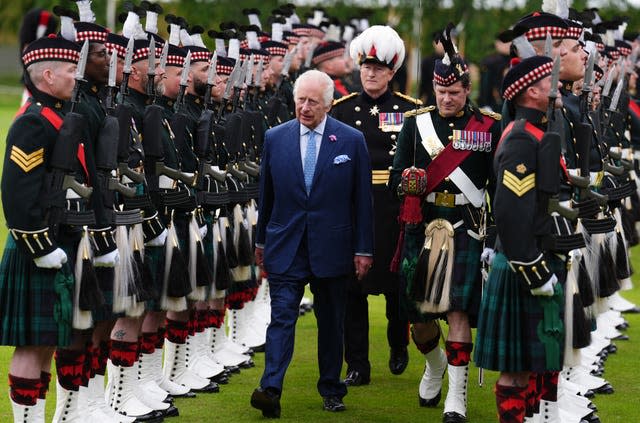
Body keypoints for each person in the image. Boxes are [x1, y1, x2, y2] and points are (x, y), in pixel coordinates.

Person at [389, 25, 501, 423]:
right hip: (425, 227)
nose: (447, 99)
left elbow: (497, 182)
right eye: (441, 92)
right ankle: (434, 364)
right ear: (433, 89)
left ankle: (457, 397)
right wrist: (407, 182)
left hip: (466, 227)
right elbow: (396, 174)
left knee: (457, 312)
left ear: (466, 90)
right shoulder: (414, 124)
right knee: (419, 318)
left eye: (454, 93)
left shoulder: (488, 126)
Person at [251, 69, 374, 417]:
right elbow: (267, 196)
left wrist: (364, 250)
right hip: (286, 244)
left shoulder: (351, 141)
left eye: (312, 102)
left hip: (332, 246)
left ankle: (332, 389)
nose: (305, 108)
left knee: (332, 322)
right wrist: (261, 242)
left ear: (328, 105)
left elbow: (361, 201)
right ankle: (270, 388)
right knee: (282, 317)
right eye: (300, 100)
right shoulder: (275, 138)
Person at [474, 55, 566, 423]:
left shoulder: (535, 133)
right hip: (521, 263)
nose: (556, 88)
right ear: (531, 91)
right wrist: (534, 270)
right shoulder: (521, 140)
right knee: (515, 370)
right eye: (549, 82)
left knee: (531, 364)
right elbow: (510, 212)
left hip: (532, 257)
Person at [0, 34, 82, 422]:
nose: (76, 76)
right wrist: (40, 247)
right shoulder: (33, 123)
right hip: (39, 246)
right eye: (70, 69)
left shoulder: (61, 115)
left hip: (59, 241)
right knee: (34, 345)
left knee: (48, 342)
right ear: (47, 75)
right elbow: (18, 194)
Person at [331, 25, 419, 386]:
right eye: (367, 68)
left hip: (394, 209)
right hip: (356, 207)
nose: (371, 74)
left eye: (379, 69)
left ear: (391, 73)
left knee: (397, 286)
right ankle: (357, 364)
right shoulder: (341, 109)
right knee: (354, 289)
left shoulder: (411, 111)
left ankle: (399, 344)